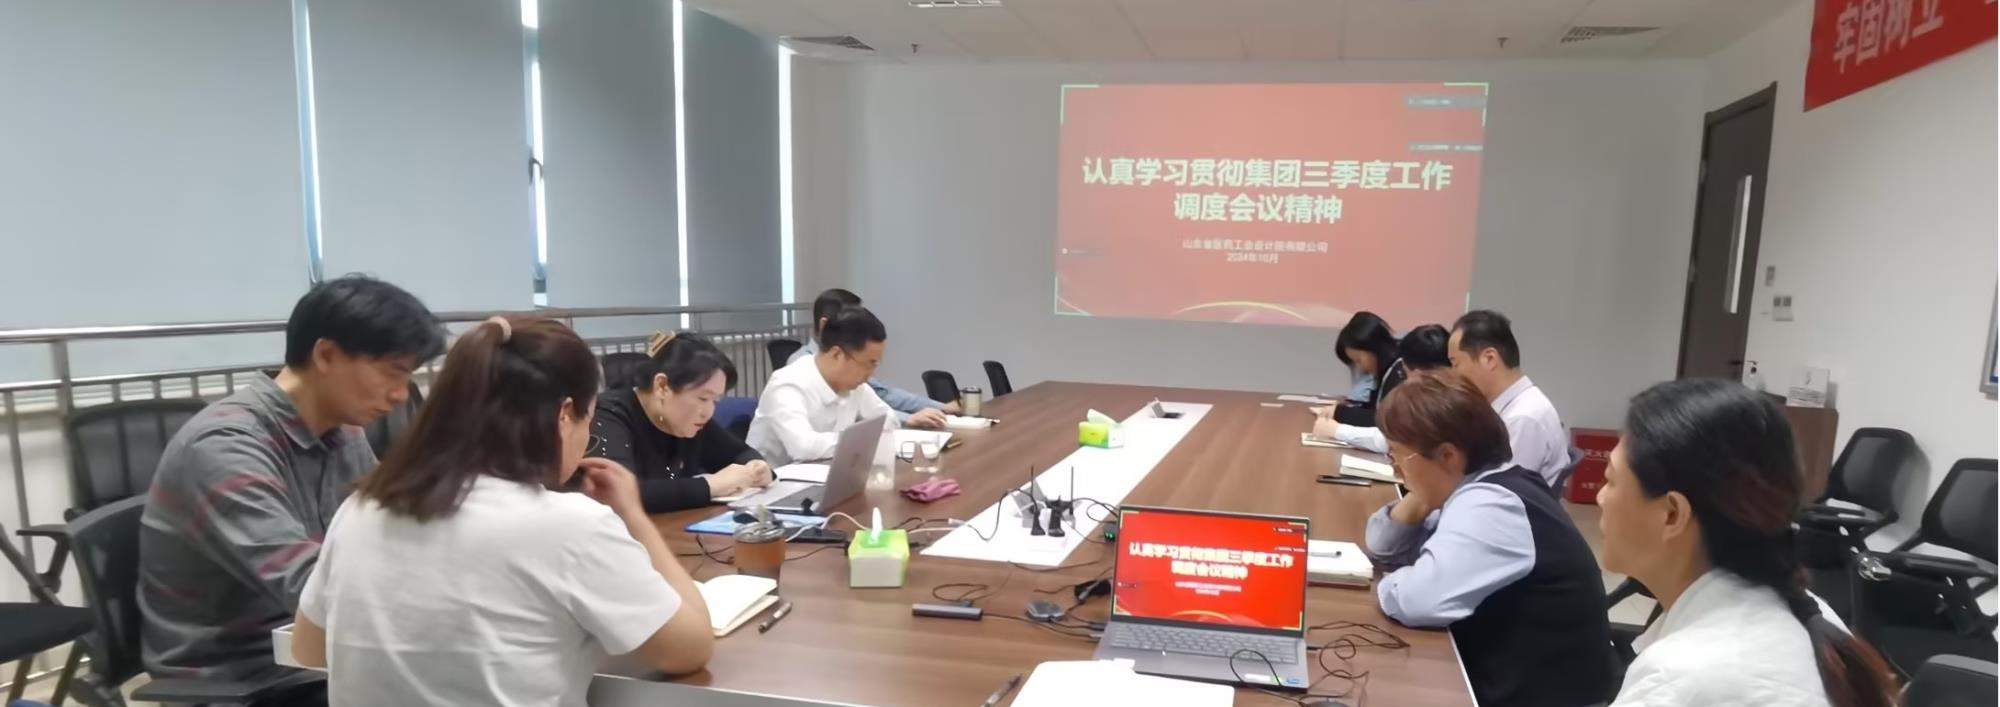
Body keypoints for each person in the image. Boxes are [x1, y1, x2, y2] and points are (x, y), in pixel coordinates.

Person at [291, 316, 714, 706]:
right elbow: (690, 649)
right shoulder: (569, 525)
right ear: (565, 415)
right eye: (588, 419)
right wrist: (634, 517)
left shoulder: (362, 507)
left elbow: (308, 649)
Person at [138, 275, 444, 703]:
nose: (400, 395)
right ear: (326, 355)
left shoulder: (343, 432)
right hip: (242, 675)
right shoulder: (224, 445)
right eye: (393, 373)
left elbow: (389, 526)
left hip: (313, 650)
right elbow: (307, 582)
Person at [1599, 379, 1897, 707]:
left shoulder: (1680, 679)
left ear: (1672, 515)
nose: (1600, 497)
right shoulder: (1809, 612)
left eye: (1610, 480)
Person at [1363, 373, 1616, 707]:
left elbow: (1417, 600)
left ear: (1448, 456)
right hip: (1512, 677)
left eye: (1397, 456)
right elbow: (1382, 544)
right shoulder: (1482, 484)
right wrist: (1421, 495)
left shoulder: (1492, 506)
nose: (1395, 470)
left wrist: (1387, 581)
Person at [591, 331, 773, 512]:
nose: (708, 412)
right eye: (703, 398)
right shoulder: (608, 415)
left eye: (715, 401)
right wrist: (711, 486)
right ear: (662, 386)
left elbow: (739, 453)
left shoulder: (691, 421)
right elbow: (616, 491)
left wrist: (757, 468)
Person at [749, 305, 901, 466]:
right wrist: (858, 439)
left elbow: (889, 420)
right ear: (837, 355)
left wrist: (855, 439)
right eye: (870, 364)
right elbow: (804, 448)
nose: (871, 374)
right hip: (775, 478)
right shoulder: (787, 384)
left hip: (827, 472)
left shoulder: (855, 386)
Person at [788, 288, 953, 428]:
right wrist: (908, 419)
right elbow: (805, 444)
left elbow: (882, 394)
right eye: (853, 324)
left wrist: (941, 408)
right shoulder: (798, 370)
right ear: (825, 325)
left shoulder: (856, 372)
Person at [1448, 309, 1569, 489]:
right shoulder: (1512, 407)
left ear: (1489, 359)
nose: (1453, 375)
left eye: (1455, 363)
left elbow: (1499, 491)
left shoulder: (1523, 419)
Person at [1315, 324, 1450, 453]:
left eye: (1359, 360)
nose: (1359, 368)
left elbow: (1394, 438)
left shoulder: (1436, 400)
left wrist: (1338, 429)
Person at [1329, 311, 1398, 426]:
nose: (1360, 368)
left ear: (1376, 348)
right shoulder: (1385, 371)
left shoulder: (1399, 373)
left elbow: (1387, 422)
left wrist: (1339, 413)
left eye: (1359, 360)